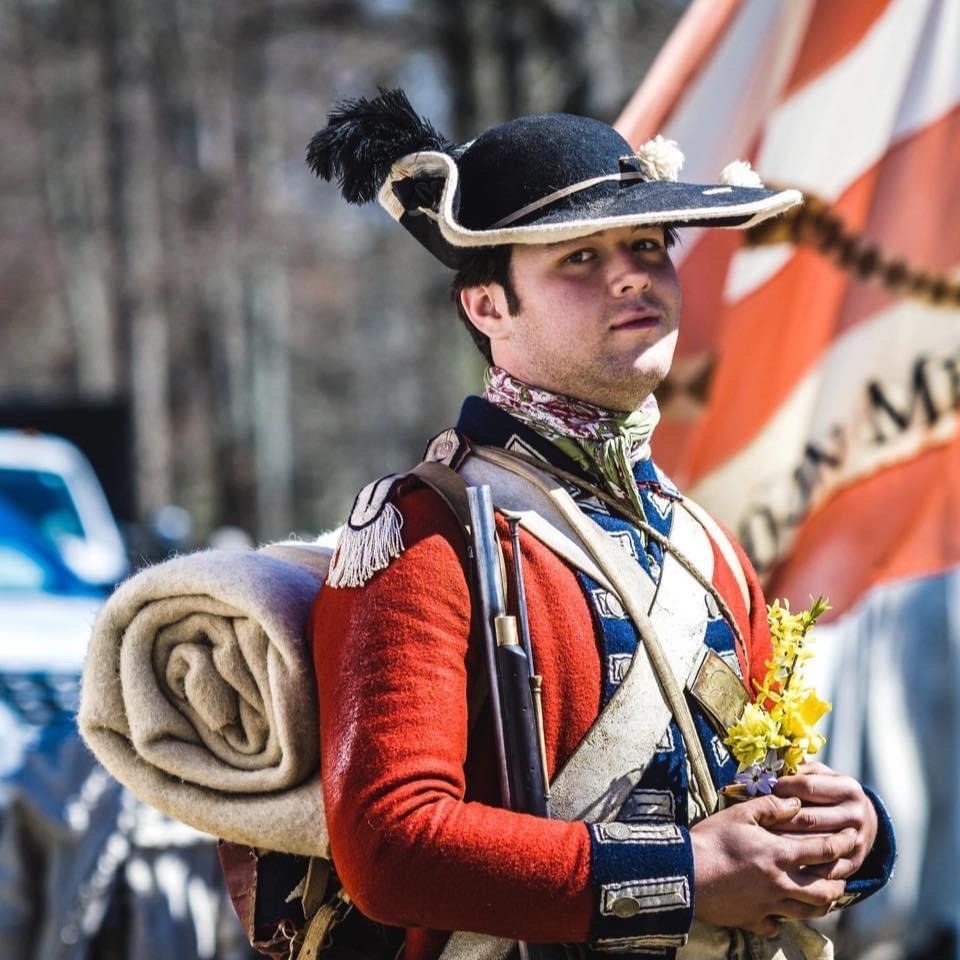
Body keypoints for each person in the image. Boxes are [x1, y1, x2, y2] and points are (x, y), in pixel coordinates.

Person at [307, 89, 895, 960]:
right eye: (579, 256)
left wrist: (852, 832)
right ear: (487, 307)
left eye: (649, 246)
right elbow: (391, 850)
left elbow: (756, 783)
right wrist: (687, 875)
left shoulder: (703, 543)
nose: (632, 275)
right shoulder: (427, 532)